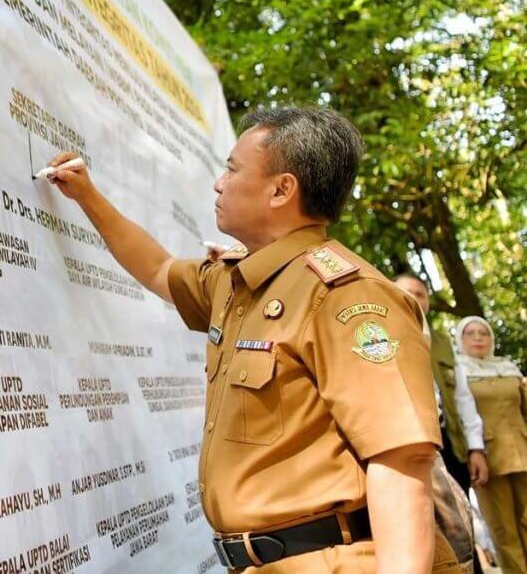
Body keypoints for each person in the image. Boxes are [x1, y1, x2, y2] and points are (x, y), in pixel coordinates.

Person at [45, 106, 449, 572]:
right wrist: (87, 196)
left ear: (282, 189)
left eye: (233, 169)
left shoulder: (347, 296)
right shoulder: (238, 284)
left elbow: (402, 462)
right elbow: (157, 268)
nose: (219, 183)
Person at [394, 274, 489, 500]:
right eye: (407, 292)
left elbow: (463, 398)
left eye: (421, 294)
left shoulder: (443, 342)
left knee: (463, 520)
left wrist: (475, 449)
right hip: (413, 446)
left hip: (450, 444)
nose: (414, 298)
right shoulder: (382, 337)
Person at [455, 315, 527, 572]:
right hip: (487, 458)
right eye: (470, 333)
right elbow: (459, 417)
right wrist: (474, 451)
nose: (477, 338)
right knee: (504, 529)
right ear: (459, 339)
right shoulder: (457, 370)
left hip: (523, 452)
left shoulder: (508, 367)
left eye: (483, 333)